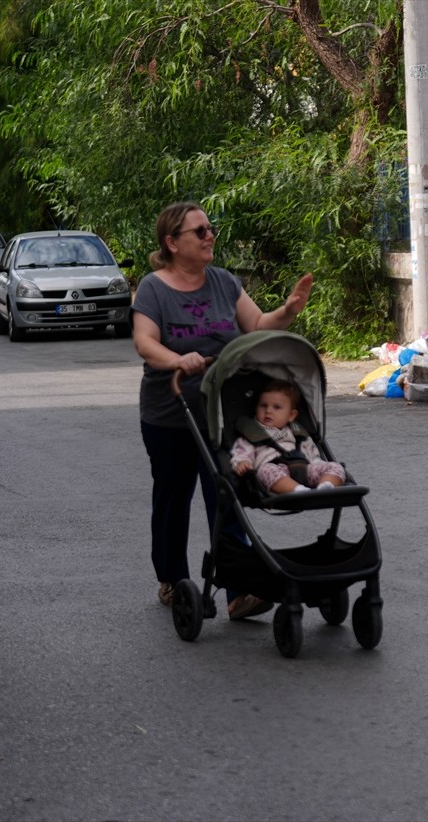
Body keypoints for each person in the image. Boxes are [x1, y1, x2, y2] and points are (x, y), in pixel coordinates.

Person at [132, 201, 313, 620]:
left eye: (210, 228)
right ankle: (172, 578)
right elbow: (145, 341)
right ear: (172, 242)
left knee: (226, 494)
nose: (210, 235)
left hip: (221, 411)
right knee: (173, 498)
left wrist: (288, 310)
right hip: (171, 411)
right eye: (199, 231)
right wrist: (177, 359)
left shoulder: (224, 282)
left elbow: (257, 326)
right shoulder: (153, 289)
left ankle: (238, 589)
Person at [230, 379, 346, 495]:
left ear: (291, 415)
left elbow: (313, 454)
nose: (268, 411)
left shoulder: (298, 433)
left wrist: (319, 467)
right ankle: (297, 490)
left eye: (276, 407)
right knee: (265, 470)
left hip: (305, 469)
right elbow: (241, 453)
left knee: (335, 466)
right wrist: (242, 462)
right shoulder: (252, 435)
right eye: (263, 406)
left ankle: (326, 487)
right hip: (276, 473)